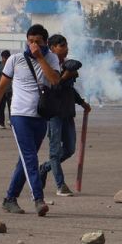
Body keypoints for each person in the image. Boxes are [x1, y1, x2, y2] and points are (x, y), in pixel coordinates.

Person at [0, 24, 61, 216]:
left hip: (40, 117)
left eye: (38, 41)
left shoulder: (51, 58)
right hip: (20, 115)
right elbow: (1, 87)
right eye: (30, 41)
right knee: (30, 158)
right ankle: (38, 199)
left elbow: (54, 80)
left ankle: (10, 198)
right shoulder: (15, 59)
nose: (33, 45)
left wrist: (40, 58)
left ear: (45, 42)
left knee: (25, 160)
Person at [36, 35, 90, 197]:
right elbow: (52, 88)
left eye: (66, 45)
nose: (66, 49)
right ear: (52, 48)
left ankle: (44, 168)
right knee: (55, 151)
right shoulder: (47, 65)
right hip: (53, 113)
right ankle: (60, 185)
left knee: (69, 149)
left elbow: (69, 90)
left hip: (67, 112)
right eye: (62, 46)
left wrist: (81, 103)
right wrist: (64, 77)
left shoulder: (68, 66)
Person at [0, 50, 13, 128]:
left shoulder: (12, 65)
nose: (5, 59)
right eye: (4, 58)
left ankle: (12, 121)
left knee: (11, 107)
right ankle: (1, 123)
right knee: (1, 107)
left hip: (10, 90)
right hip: (1, 90)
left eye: (6, 58)